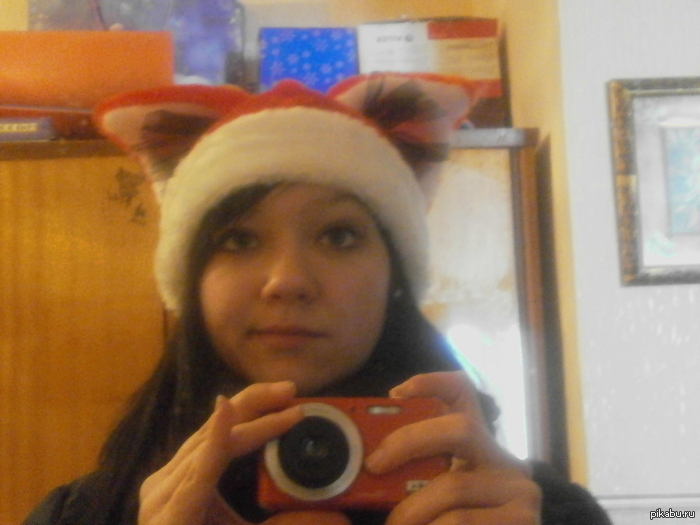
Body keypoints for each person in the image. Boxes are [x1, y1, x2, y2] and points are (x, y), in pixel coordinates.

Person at [24, 73, 610, 525]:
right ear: (192, 282)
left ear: (394, 275)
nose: (287, 281)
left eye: (338, 236)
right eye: (239, 240)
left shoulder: (531, 510)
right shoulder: (79, 515)